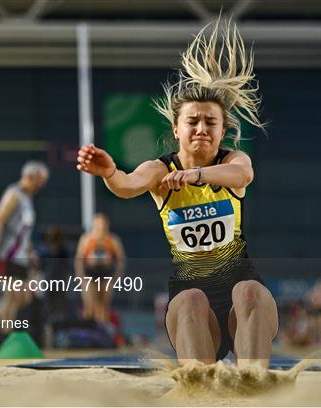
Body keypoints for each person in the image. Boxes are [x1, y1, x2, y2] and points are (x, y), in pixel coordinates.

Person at [76, 19, 278, 367]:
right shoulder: (160, 171)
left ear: (223, 130)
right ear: (176, 129)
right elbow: (127, 185)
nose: (201, 128)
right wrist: (109, 171)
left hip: (241, 297)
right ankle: (199, 389)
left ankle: (252, 386)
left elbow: (244, 174)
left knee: (249, 291)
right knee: (190, 300)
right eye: (193, 122)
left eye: (210, 122)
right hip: (192, 300)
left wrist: (197, 175)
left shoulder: (231, 161)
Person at [0, 161, 49, 326]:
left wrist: (30, 251)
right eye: (40, 180)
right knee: (13, 296)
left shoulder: (28, 199)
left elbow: (23, 232)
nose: (42, 185)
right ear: (30, 177)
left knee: (24, 297)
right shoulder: (14, 195)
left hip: (21, 256)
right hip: (9, 254)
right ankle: (4, 333)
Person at [74, 213, 126, 323]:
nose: (101, 227)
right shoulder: (86, 239)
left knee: (103, 306)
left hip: (107, 275)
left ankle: (102, 331)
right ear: (94, 224)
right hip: (89, 275)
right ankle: (88, 329)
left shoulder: (112, 240)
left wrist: (117, 276)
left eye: (103, 224)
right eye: (98, 224)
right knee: (90, 305)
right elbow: (79, 259)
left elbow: (121, 258)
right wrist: (81, 276)